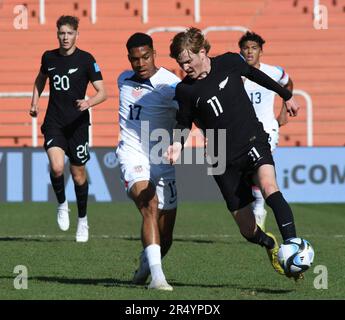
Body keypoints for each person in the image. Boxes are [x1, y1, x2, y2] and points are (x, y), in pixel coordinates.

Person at [166, 27, 302, 280]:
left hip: (251, 138)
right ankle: (270, 244)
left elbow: (256, 76)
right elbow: (183, 122)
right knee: (248, 230)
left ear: (202, 52)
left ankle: (294, 245)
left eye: (188, 60)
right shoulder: (185, 90)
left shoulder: (229, 61)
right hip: (219, 154)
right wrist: (177, 144)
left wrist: (286, 95)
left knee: (268, 185)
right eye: (180, 63)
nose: (185, 67)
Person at [29, 15, 107, 242]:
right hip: (54, 121)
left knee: (78, 174)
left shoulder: (86, 59)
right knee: (56, 167)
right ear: (57, 34)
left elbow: (103, 92)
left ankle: (83, 220)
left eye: (69, 33)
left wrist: (88, 102)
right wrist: (34, 102)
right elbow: (40, 79)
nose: (65, 37)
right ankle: (62, 205)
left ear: (76, 35)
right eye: (61, 33)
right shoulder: (49, 57)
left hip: (78, 125)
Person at [116, 33, 180, 290]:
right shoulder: (123, 79)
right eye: (134, 59)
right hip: (132, 154)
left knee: (166, 238)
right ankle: (158, 278)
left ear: (154, 54)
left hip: (162, 161)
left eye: (145, 57)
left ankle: (146, 265)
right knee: (148, 205)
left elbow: (188, 114)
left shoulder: (171, 85)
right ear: (129, 59)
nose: (140, 63)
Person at [239, 31, 294, 231]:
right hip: (243, 131)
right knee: (247, 173)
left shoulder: (274, 72)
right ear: (241, 51)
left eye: (254, 48)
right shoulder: (236, 74)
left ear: (261, 51)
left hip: (267, 128)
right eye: (246, 48)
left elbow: (288, 82)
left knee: (259, 166)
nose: (249, 51)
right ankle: (257, 206)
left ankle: (259, 210)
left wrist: (284, 111)